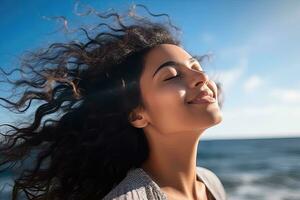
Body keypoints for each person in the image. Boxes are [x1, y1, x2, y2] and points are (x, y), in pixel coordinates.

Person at [0, 4, 226, 200]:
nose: (203, 77)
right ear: (138, 115)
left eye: (196, 67)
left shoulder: (210, 183)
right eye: (171, 75)